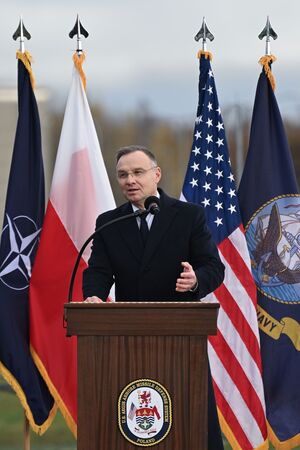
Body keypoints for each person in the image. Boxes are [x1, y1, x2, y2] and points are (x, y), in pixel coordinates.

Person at [82, 145, 225, 449]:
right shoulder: (108, 222)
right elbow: (98, 271)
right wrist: (93, 297)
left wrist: (196, 279)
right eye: (122, 175)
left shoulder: (188, 216)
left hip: (182, 338)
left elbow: (213, 266)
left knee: (190, 424)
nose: (129, 180)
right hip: (127, 339)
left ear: (156, 175)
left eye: (137, 172)